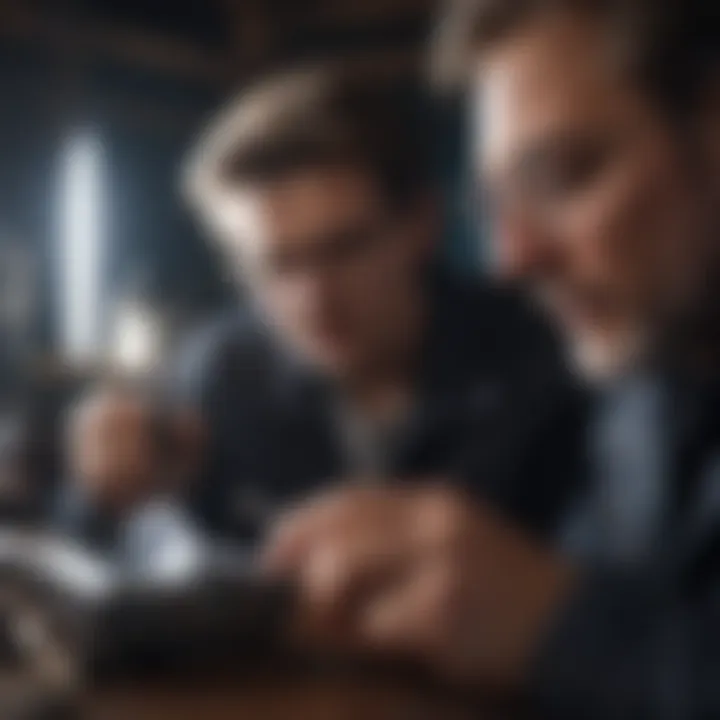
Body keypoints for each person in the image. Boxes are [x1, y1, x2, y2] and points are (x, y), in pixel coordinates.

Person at [256, 2, 720, 717]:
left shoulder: (548, 370)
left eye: (562, 176)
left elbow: (570, 624)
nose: (511, 259)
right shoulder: (645, 393)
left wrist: (559, 627)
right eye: (499, 202)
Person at [58, 68, 574, 563]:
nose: (315, 300)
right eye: (276, 266)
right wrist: (103, 497)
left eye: (346, 249)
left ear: (422, 224)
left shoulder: (542, 362)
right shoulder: (219, 375)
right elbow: (88, 562)